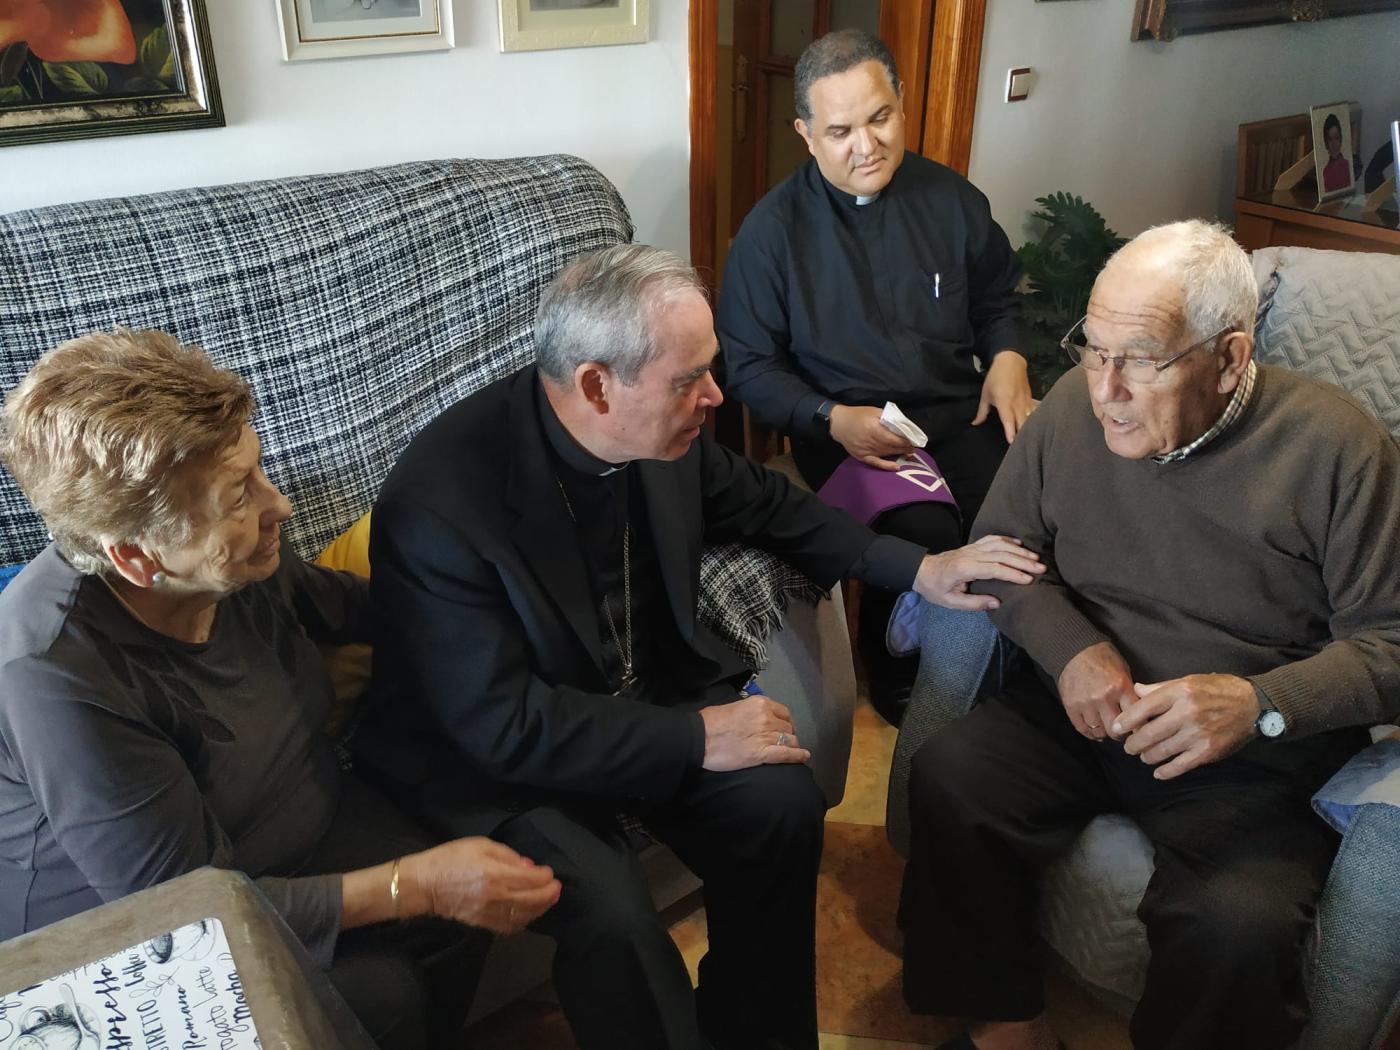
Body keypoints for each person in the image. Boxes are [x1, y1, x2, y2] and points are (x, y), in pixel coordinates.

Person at [357, 244, 1045, 1050]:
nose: (716, 397)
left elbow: (768, 505)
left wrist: (919, 568)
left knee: (781, 807)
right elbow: (498, 725)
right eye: (692, 380)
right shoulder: (441, 504)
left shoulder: (663, 440)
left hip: (644, 699)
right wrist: (696, 736)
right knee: (615, 918)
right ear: (595, 387)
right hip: (510, 765)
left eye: (711, 370)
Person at [898, 221, 1400, 1050]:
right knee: (952, 777)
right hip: (1084, 710)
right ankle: (1009, 1027)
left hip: (1247, 756)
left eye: (1139, 358)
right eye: (1092, 350)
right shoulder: (1067, 411)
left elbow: (1390, 641)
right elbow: (1002, 552)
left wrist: (1261, 704)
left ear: (1230, 358)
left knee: (1235, 925)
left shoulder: (1339, 450)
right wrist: (1071, 651)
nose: (1105, 389)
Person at [0, 329, 563, 1050]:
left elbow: (357, 606)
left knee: (467, 891)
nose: (282, 506)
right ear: (137, 558)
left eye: (257, 469)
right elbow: (187, 910)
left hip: (295, 829)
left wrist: (512, 608)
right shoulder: (56, 680)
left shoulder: (231, 564)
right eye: (240, 494)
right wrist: (412, 884)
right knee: (382, 992)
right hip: (129, 936)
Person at [717, 28, 1031, 720]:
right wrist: (829, 417)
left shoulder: (952, 199)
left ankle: (1003, 660)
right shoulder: (771, 234)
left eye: (880, 117)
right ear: (805, 134)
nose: (867, 145)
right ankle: (896, 676)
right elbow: (747, 369)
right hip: (842, 424)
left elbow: (998, 299)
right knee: (920, 527)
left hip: (953, 410)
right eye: (840, 130)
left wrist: (1007, 357)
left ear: (903, 102)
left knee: (1014, 513)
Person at [1320, 112, 1352, 193]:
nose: (1334, 143)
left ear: (1340, 139)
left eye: (1336, 138)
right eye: (1330, 139)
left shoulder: (1348, 165)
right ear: (1326, 142)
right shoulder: (1326, 171)